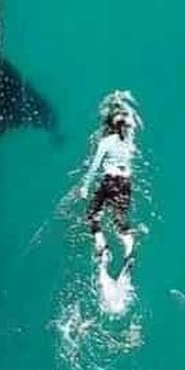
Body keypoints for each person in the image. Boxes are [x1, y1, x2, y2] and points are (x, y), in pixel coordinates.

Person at [75, 92, 141, 268]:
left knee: (92, 215)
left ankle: (102, 247)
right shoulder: (128, 142)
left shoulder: (106, 141)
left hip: (110, 181)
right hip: (125, 182)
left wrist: (85, 187)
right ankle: (129, 249)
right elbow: (130, 121)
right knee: (119, 219)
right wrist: (120, 101)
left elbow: (94, 165)